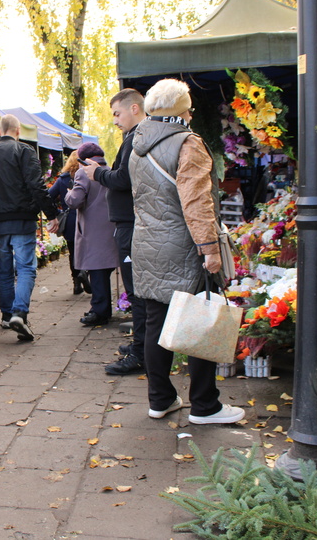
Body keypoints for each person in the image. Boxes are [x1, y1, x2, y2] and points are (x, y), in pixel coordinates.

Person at [128, 78, 244, 425]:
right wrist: (209, 248)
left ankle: (160, 399)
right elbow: (196, 202)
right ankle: (205, 405)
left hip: (146, 243)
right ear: (183, 110)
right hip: (183, 244)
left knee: (154, 323)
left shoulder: (137, 144)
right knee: (200, 318)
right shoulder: (187, 143)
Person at [81, 89, 148, 374]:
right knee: (137, 291)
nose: (115, 121)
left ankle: (142, 352)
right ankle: (141, 345)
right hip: (128, 221)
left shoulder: (136, 139)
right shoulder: (135, 138)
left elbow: (123, 178)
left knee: (137, 291)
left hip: (130, 224)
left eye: (117, 114)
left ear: (134, 108)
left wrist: (96, 173)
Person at [0, 114, 60, 341]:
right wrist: (51, 213)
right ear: (17, 131)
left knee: (4, 270)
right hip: (21, 218)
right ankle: (19, 313)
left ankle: (6, 316)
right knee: (25, 268)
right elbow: (36, 184)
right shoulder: (24, 151)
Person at [65, 142, 118, 325]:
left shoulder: (84, 172)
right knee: (103, 271)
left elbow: (75, 201)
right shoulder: (109, 170)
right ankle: (103, 308)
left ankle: (100, 310)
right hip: (111, 228)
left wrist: (68, 193)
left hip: (92, 230)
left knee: (96, 271)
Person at [48, 151, 90, 295]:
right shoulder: (88, 176)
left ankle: (76, 282)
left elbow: (49, 196)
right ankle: (85, 273)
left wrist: (58, 211)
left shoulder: (62, 180)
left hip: (71, 220)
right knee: (89, 249)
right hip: (87, 218)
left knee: (73, 251)